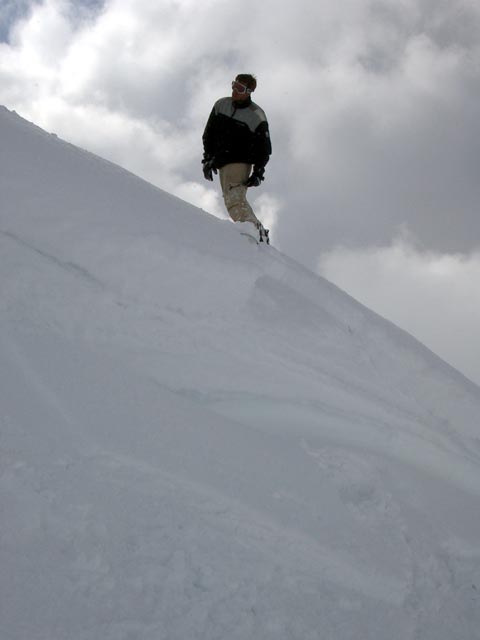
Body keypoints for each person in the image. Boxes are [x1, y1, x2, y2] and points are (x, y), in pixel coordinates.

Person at [202, 74, 272, 243]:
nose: (234, 91)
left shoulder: (256, 115)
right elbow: (209, 134)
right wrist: (208, 159)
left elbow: (264, 148)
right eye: (234, 85)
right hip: (221, 161)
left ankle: (253, 231)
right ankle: (256, 230)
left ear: (249, 91)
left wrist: (258, 172)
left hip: (240, 161)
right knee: (231, 199)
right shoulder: (221, 105)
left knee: (234, 200)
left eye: (239, 88)